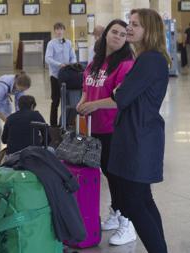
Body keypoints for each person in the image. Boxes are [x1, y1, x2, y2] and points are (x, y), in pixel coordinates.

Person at [108, 9, 171, 253]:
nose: (129, 28)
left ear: (150, 30)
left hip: (139, 138)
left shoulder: (149, 60)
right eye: (129, 23)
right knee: (143, 198)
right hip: (141, 134)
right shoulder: (149, 59)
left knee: (133, 203)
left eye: (135, 25)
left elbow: (121, 96)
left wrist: (118, 91)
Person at [76, 19, 136, 246]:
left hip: (115, 129)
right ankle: (116, 212)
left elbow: (120, 99)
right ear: (105, 34)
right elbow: (86, 88)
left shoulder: (125, 65)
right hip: (95, 129)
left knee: (119, 177)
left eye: (123, 34)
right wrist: (83, 103)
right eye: (114, 32)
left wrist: (95, 105)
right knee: (108, 174)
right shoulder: (95, 62)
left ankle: (128, 223)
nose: (118, 37)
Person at [0, 72, 31, 153]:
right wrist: (6, 121)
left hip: (4, 100)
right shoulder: (2, 87)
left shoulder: (19, 85)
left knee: (13, 126)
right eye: (21, 90)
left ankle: (12, 150)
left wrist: (20, 117)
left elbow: (19, 104)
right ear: (17, 84)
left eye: (23, 90)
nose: (22, 91)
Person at [45, 22, 77, 127]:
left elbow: (73, 56)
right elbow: (48, 58)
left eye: (61, 29)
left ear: (64, 30)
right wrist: (60, 65)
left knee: (67, 99)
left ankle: (66, 122)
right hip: (55, 75)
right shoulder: (51, 43)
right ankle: (53, 125)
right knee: (55, 100)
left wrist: (72, 64)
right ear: (54, 31)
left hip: (67, 75)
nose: (59, 31)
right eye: (57, 29)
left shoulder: (68, 43)